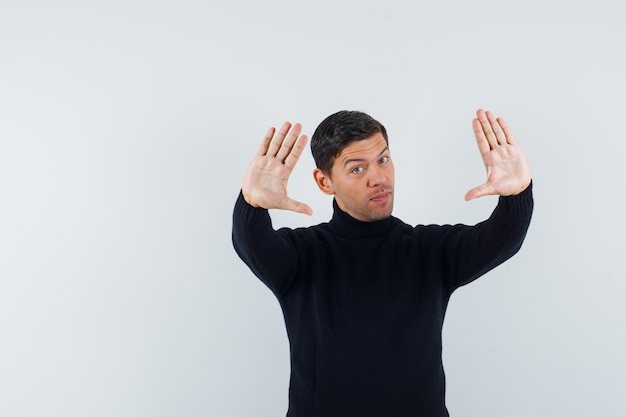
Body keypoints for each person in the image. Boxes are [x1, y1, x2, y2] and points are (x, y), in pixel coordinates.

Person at [232, 109, 533, 417]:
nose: (378, 178)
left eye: (383, 160)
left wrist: (516, 196)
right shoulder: (301, 255)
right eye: (357, 169)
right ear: (325, 182)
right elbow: (252, 245)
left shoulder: (427, 250)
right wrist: (251, 205)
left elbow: (501, 239)